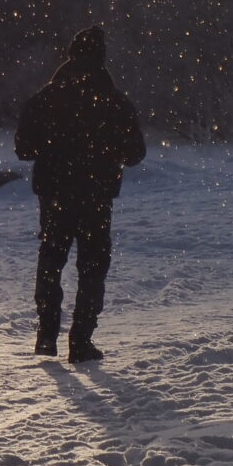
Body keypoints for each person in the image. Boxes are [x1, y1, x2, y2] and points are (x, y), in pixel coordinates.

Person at [14, 25, 145, 363]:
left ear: (70, 55)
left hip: (55, 195)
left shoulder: (45, 98)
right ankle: (81, 341)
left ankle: (47, 334)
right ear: (101, 58)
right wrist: (105, 153)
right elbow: (135, 153)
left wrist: (54, 149)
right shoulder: (115, 102)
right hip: (95, 197)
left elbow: (23, 148)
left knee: (51, 260)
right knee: (92, 267)